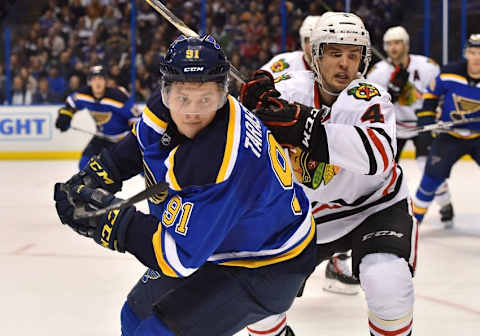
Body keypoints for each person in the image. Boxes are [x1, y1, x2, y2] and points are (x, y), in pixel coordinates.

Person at [53, 35, 317, 336]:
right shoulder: (162, 109)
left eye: (205, 99)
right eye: (182, 98)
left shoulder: (222, 160)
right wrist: (101, 172)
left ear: (222, 95)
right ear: (165, 92)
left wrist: (114, 222)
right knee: (134, 317)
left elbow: (177, 256)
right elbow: (138, 144)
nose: (192, 111)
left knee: (153, 333)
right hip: (221, 239)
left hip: (266, 264)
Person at [241, 12, 417, 336]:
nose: (344, 65)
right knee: (253, 296)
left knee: (387, 283)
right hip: (305, 215)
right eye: (335, 54)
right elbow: (242, 142)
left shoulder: (370, 97)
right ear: (316, 55)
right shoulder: (290, 92)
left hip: (373, 208)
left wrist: (303, 127)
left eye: (353, 55)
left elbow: (378, 156)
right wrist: (246, 108)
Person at [367, 26, 454, 226]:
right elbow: (373, 105)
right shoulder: (378, 73)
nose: (393, 48)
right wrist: (391, 93)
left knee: (429, 166)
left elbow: (440, 94)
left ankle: (445, 203)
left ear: (405, 44)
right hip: (394, 127)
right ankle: (381, 209)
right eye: (389, 44)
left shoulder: (427, 66)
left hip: (423, 124)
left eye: (397, 43)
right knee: (384, 171)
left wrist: (438, 114)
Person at [412, 33, 480, 228]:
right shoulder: (450, 73)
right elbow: (432, 94)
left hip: (478, 137)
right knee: (431, 178)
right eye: (473, 52)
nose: (476, 57)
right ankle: (413, 222)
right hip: (450, 136)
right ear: (466, 53)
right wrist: (427, 117)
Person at [54, 65, 140, 169]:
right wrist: (65, 115)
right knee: (84, 164)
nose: (97, 82)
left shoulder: (118, 97)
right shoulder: (84, 94)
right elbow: (71, 103)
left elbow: (135, 117)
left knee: (140, 165)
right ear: (89, 82)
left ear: (106, 82)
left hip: (122, 140)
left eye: (101, 79)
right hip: (101, 138)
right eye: (94, 79)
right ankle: (90, 186)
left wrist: (133, 137)